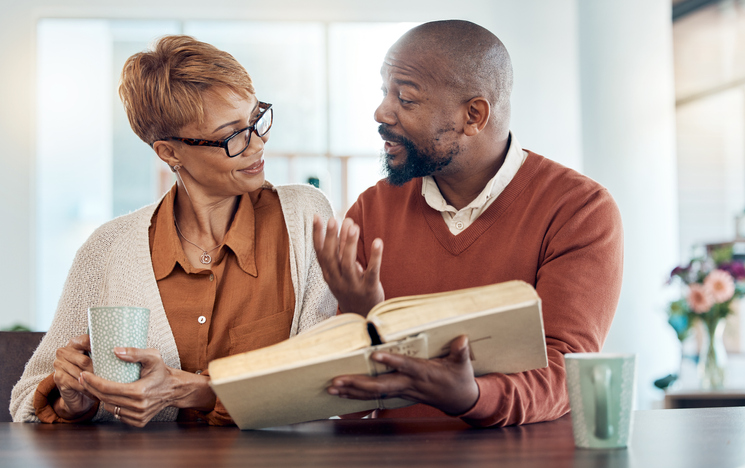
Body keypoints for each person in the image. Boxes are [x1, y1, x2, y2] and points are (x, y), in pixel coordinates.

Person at [11, 35, 337, 427]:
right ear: (169, 152)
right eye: (232, 135)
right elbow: (27, 402)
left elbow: (324, 381)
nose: (257, 144)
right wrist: (73, 403)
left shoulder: (305, 216)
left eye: (256, 119)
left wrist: (192, 390)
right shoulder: (108, 249)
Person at [313, 20, 623, 427]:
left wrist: (472, 397)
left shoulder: (578, 209)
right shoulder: (373, 208)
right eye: (384, 92)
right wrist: (362, 316)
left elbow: (566, 371)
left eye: (405, 98)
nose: (381, 112)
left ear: (473, 115)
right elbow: (343, 389)